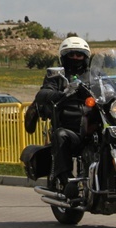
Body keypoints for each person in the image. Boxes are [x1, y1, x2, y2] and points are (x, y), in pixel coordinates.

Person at [30, 37, 92, 198]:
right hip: (70, 129)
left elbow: (111, 86)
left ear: (86, 57)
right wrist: (60, 94)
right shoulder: (57, 76)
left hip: (92, 126)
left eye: (79, 55)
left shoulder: (94, 75)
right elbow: (42, 93)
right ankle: (66, 181)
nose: (76, 58)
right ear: (64, 57)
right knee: (60, 135)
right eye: (72, 55)